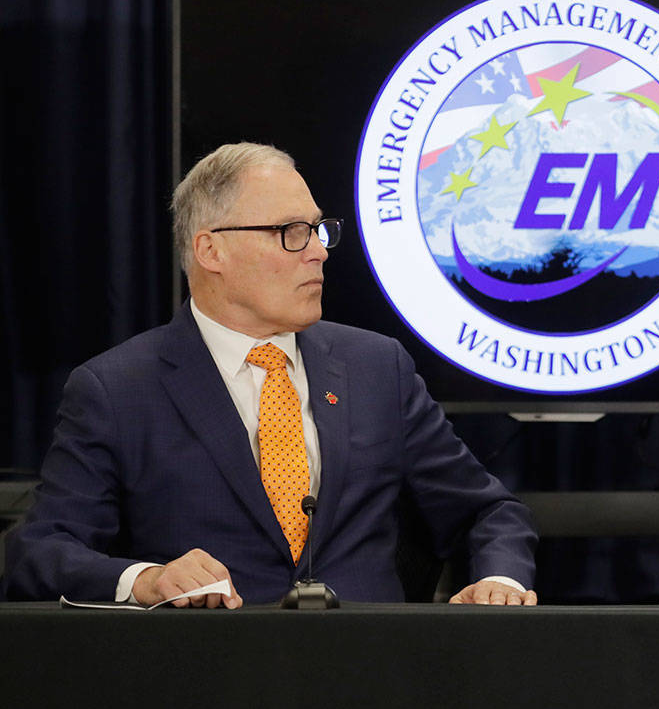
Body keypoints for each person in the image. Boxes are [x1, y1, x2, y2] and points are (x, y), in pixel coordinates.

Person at [2, 143, 537, 608]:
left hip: (373, 680)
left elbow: (487, 511)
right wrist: (146, 579)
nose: (319, 252)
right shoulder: (117, 390)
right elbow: (41, 552)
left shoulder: (377, 368)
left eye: (319, 230)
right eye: (291, 233)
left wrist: (498, 579)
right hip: (211, 686)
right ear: (211, 250)